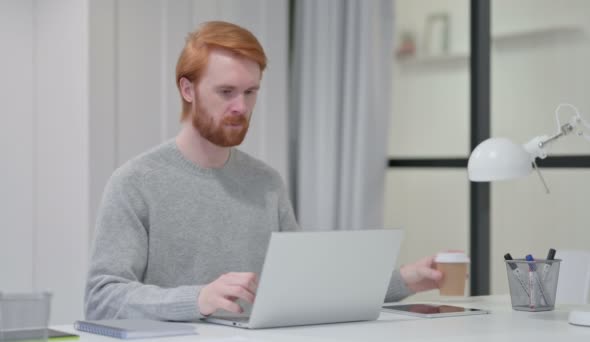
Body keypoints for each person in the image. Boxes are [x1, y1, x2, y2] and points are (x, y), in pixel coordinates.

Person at [84, 21, 444, 321]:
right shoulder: (135, 182)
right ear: (187, 89)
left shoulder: (267, 184)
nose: (241, 107)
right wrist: (198, 299)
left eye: (250, 92)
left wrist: (405, 280)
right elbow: (101, 297)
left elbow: (306, 284)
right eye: (226, 92)